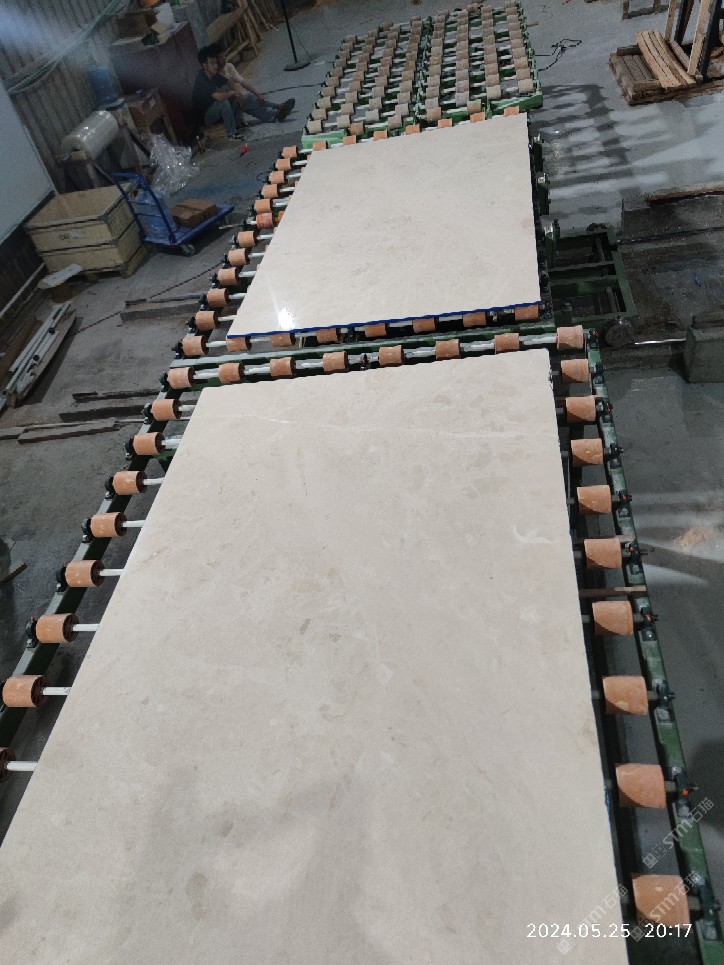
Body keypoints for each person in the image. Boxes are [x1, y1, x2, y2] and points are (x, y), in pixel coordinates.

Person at [191, 45, 294, 139]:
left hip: (220, 113)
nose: (215, 66)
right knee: (224, 102)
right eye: (212, 63)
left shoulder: (214, 76)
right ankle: (232, 134)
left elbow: (229, 82)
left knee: (243, 99)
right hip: (206, 117)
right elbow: (219, 97)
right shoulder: (202, 80)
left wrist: (237, 93)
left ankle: (274, 114)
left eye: (215, 62)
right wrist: (233, 93)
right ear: (204, 65)